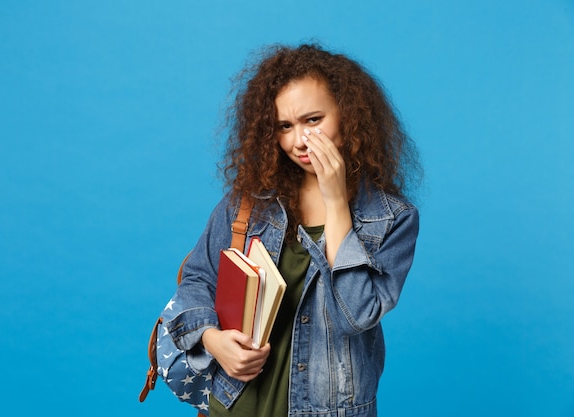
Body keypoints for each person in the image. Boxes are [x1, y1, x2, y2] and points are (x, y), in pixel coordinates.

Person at [162, 43, 421, 417]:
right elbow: (198, 278)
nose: (298, 140)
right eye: (285, 126)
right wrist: (213, 340)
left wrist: (335, 204)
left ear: (349, 116)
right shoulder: (249, 202)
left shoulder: (391, 218)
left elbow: (356, 316)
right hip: (235, 404)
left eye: (313, 120)